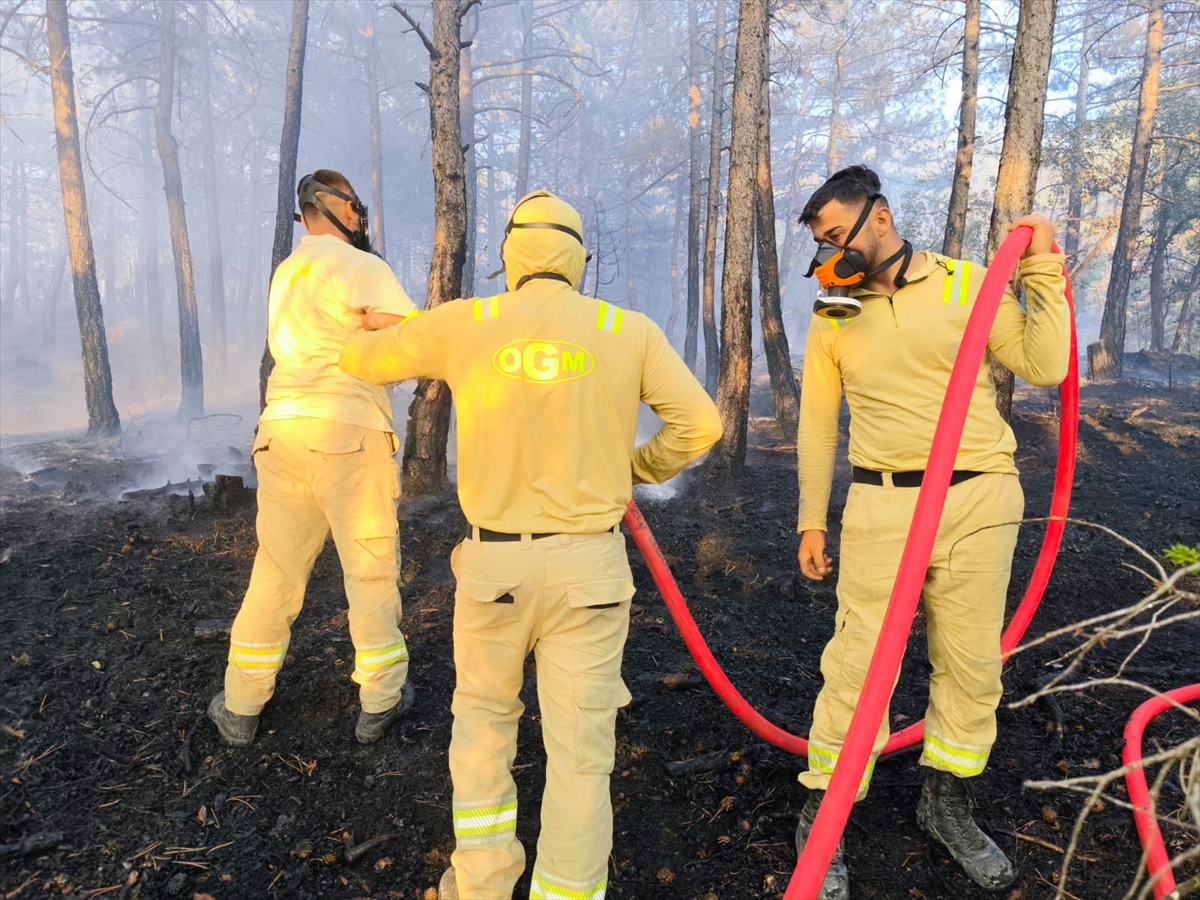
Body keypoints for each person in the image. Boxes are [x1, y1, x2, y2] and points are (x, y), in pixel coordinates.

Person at [339, 190, 722, 900]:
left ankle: (480, 885)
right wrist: (633, 468)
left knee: (483, 728)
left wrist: (359, 319)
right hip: (592, 568)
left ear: (510, 255)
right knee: (582, 755)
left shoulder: (466, 323)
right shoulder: (624, 328)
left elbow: (365, 359)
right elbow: (700, 426)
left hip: (495, 567)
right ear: (579, 258)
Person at [793, 165, 1070, 899]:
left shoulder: (968, 283)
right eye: (820, 243)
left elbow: (1045, 363)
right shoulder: (834, 313)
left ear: (878, 218)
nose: (828, 254)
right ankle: (824, 815)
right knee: (859, 663)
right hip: (883, 506)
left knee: (972, 662)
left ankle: (945, 805)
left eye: (833, 235)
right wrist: (811, 519)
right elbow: (819, 423)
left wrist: (1041, 264)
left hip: (979, 499)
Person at [207, 170, 418, 748]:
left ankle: (241, 704)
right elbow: (405, 336)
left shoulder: (289, 271)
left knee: (275, 571)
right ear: (338, 208)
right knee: (369, 568)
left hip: (280, 432)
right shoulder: (361, 266)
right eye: (355, 206)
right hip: (346, 433)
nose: (361, 215)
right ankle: (381, 699)